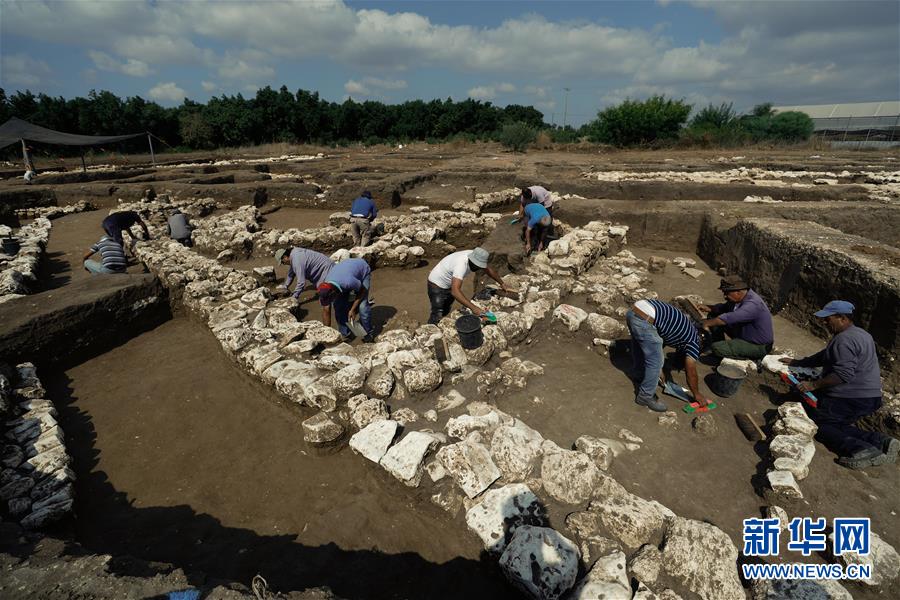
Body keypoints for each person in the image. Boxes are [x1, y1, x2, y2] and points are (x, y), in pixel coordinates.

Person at [780, 301, 898, 469]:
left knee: (818, 424)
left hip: (852, 397)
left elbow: (843, 374)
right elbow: (827, 355)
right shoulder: (862, 334)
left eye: (828, 319)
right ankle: (881, 441)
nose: (824, 322)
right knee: (837, 424)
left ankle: (860, 449)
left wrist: (813, 385)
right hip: (870, 396)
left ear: (842, 318)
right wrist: (800, 362)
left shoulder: (843, 340)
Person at [626, 299, 710, 412]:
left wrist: (659, 370)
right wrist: (697, 394)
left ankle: (639, 375)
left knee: (640, 347)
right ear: (701, 344)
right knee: (656, 362)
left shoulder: (686, 328)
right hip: (645, 319)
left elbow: (658, 341)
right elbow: (691, 372)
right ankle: (645, 397)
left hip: (634, 311)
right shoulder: (694, 341)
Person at [426, 247, 509, 325]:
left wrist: (502, 283)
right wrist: (474, 309)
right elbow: (455, 291)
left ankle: (441, 323)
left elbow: (488, 270)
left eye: (480, 265)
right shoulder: (461, 265)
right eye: (477, 265)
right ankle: (430, 329)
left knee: (446, 308)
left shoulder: (477, 255)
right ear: (471, 260)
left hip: (450, 283)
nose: (478, 268)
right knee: (437, 312)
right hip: (436, 284)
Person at [700, 275, 774, 360]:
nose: (725, 296)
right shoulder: (740, 298)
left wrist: (706, 323)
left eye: (727, 293)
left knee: (716, 348)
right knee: (713, 316)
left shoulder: (752, 304)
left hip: (758, 346)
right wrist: (710, 308)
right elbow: (724, 307)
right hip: (744, 334)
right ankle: (723, 346)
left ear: (738, 292)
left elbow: (728, 318)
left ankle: (748, 359)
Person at [317, 258, 375, 342]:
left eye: (331, 298)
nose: (330, 300)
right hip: (345, 273)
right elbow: (326, 310)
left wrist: (353, 309)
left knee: (362, 307)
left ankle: (368, 334)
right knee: (339, 306)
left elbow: (362, 290)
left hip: (362, 270)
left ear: (333, 292)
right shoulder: (324, 288)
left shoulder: (348, 282)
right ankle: (345, 334)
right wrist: (327, 334)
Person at [276, 247, 335, 326]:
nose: (284, 264)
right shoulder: (294, 254)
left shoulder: (297, 260)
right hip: (325, 268)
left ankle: (328, 328)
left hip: (327, 270)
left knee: (325, 301)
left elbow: (301, 283)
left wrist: (294, 298)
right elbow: (291, 273)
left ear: (285, 257)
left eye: (283, 262)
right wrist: (285, 286)